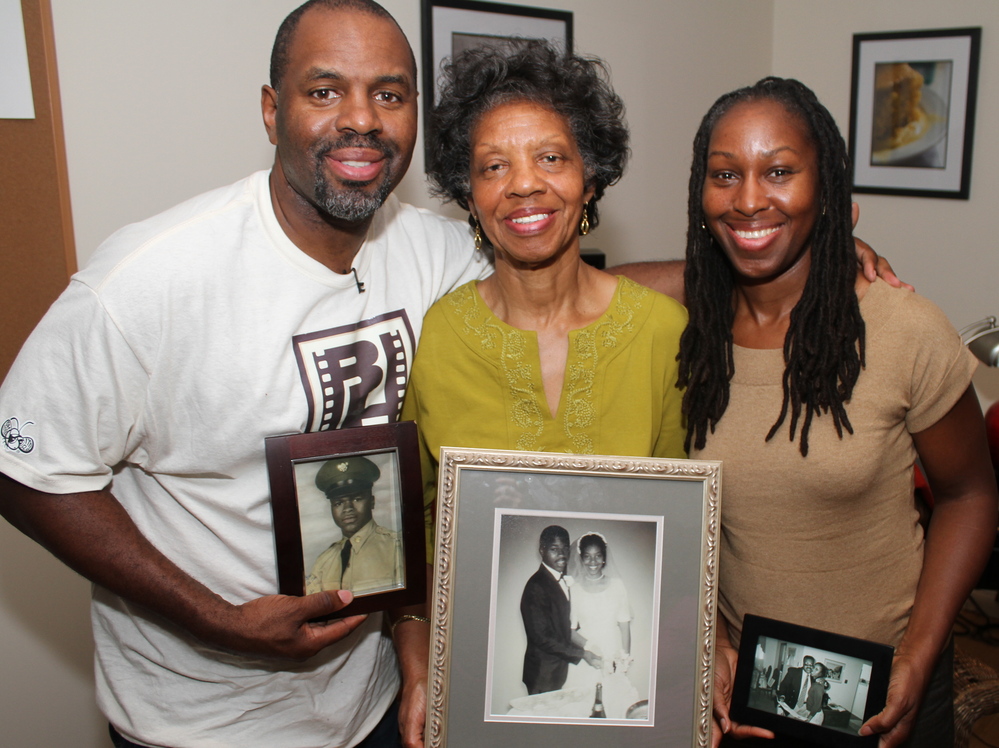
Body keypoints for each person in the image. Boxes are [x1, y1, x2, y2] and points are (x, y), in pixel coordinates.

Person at [0, 2, 493, 746]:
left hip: (375, 704)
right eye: (324, 91)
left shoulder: (436, 253)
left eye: (388, 94)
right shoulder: (150, 280)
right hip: (202, 721)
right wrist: (220, 621)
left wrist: (730, 272)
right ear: (271, 110)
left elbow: (571, 292)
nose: (361, 119)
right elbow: (23, 471)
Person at [675, 77, 999, 748]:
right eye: (724, 174)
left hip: (888, 687)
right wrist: (706, 640)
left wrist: (918, 653)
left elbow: (968, 495)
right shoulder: (682, 336)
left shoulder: (902, 328)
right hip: (745, 691)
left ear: (827, 193)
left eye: (780, 172)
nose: (747, 198)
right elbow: (585, 287)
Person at [401, 41, 688, 536]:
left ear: (590, 180)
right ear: (469, 197)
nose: (524, 184)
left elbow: (684, 514)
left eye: (551, 157)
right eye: (494, 166)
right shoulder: (437, 336)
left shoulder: (664, 332)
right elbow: (417, 519)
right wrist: (411, 617)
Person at [306, 456, 403, 596]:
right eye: (338, 503)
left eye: (357, 499)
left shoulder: (396, 547)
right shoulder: (323, 562)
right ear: (331, 508)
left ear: (372, 502)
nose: (347, 508)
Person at [520, 525, 600, 694]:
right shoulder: (536, 586)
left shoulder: (564, 581)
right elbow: (542, 638)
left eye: (565, 548)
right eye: (554, 549)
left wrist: (592, 644)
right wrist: (582, 654)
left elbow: (566, 627)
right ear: (542, 550)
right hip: (543, 675)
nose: (562, 554)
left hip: (561, 672)